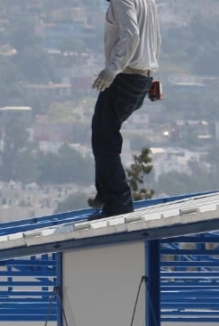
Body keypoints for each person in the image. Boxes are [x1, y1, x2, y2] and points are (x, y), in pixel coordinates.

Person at [86, 0, 161, 221]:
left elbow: (131, 35)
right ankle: (106, 192)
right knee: (103, 132)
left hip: (126, 76)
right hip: (141, 75)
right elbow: (153, 40)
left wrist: (111, 69)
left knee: (104, 137)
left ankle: (117, 203)